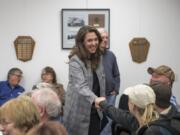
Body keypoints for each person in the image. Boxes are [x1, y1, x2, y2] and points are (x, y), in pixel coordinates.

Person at [63, 25, 106, 135]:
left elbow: (101, 80)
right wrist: (96, 100)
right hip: (78, 111)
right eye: (89, 40)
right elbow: (81, 86)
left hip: (96, 110)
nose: (94, 43)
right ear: (81, 42)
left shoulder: (99, 57)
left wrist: (103, 99)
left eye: (96, 39)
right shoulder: (75, 60)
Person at [98, 28, 120, 135]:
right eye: (103, 38)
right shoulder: (91, 55)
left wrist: (116, 89)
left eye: (107, 37)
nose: (105, 40)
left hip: (111, 95)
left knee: (109, 121)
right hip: (97, 97)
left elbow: (116, 74)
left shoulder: (111, 55)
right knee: (98, 121)